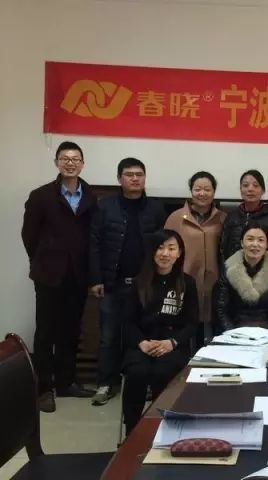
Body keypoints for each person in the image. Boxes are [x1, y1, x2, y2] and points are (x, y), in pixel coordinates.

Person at [21, 141, 97, 412]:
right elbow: (29, 235)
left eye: (75, 159)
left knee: (71, 330)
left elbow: (91, 236)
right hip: (49, 275)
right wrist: (42, 260)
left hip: (78, 275)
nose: (70, 163)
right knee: (46, 331)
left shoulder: (90, 196)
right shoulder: (41, 195)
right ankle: (44, 388)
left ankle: (66, 382)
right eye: (65, 158)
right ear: (56, 163)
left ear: (82, 164)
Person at [89, 157, 166, 406]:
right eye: (129, 174)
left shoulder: (155, 208)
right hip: (113, 283)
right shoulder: (105, 206)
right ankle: (105, 383)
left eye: (139, 174)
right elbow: (94, 243)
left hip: (145, 286)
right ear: (119, 179)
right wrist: (96, 278)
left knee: (146, 334)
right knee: (109, 336)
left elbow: (163, 246)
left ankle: (144, 383)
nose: (135, 179)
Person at [122, 230, 197, 435]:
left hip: (172, 345)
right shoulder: (139, 283)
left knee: (163, 373)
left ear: (179, 253)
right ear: (152, 251)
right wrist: (142, 343)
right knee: (137, 374)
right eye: (160, 248)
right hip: (142, 344)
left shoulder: (187, 283)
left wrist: (171, 343)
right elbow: (128, 322)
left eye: (171, 248)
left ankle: (162, 429)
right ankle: (132, 431)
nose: (165, 253)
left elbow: (192, 324)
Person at [165, 171, 226, 347]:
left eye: (207, 189)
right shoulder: (176, 218)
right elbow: (164, 250)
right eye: (197, 189)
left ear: (214, 192)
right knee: (186, 330)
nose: (202, 193)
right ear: (191, 191)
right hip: (183, 283)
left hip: (215, 283)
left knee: (214, 331)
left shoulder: (223, 218)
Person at [214, 223, 268, 333]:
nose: (255, 244)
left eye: (261, 240)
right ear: (242, 243)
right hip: (235, 331)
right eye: (250, 239)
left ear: (266, 245)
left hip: (266, 331)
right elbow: (221, 310)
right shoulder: (229, 270)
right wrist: (232, 333)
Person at [219, 169, 268, 260]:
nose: (250, 189)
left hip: (261, 267)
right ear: (240, 190)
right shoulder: (232, 216)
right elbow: (223, 248)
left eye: (255, 185)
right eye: (245, 185)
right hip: (233, 267)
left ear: (263, 191)